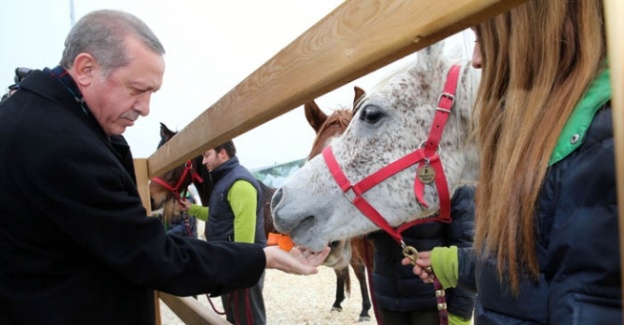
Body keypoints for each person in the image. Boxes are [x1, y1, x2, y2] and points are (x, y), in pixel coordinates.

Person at [0, 9, 329, 325]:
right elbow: (153, 256)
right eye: (137, 90)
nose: (145, 109)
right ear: (86, 69)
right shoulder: (62, 144)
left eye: (151, 93)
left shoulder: (42, 118)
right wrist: (263, 257)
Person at [405, 1, 621, 324]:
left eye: (482, 36)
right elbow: (529, 275)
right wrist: (452, 264)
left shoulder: (602, 151)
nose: (475, 60)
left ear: (533, 25)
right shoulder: (540, 143)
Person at [180, 140, 268, 325]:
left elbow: (245, 241)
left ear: (223, 153)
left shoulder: (240, 183)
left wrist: (237, 272)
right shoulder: (226, 180)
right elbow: (218, 215)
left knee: (248, 320)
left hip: (241, 268)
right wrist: (192, 209)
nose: (203, 161)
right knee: (234, 318)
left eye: (206, 155)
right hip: (229, 263)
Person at [368, 185, 476, 325]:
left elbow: (465, 247)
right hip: (388, 298)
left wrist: (460, 313)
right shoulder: (378, 177)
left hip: (433, 303)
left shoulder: (455, 181)